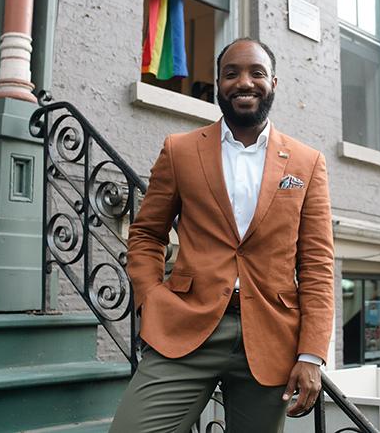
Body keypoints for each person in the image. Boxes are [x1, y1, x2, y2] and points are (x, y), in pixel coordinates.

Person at [109, 38, 335, 433]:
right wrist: (151, 298)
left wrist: (312, 353)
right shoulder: (180, 150)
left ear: (274, 83)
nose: (244, 82)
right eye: (232, 74)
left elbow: (316, 264)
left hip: (270, 335)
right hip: (185, 327)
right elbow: (146, 234)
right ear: (218, 83)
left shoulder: (307, 162)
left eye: (256, 73)